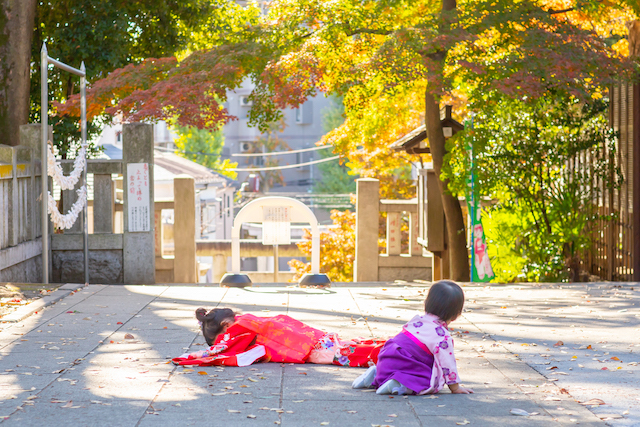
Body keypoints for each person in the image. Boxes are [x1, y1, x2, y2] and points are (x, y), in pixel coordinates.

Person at [352, 280, 474, 395]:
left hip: (386, 357)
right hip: (405, 361)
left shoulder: (417, 320)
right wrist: (455, 387)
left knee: (404, 367)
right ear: (456, 314)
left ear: (426, 303)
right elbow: (447, 363)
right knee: (428, 379)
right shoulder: (442, 337)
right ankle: (399, 385)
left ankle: (375, 374)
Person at [172, 308, 384, 367]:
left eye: (221, 337)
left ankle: (391, 353)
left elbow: (221, 349)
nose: (224, 341)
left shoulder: (238, 328)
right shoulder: (247, 320)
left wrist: (193, 356)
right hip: (316, 338)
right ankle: (393, 346)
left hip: (312, 349)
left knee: (350, 355)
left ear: (226, 326)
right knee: (350, 346)